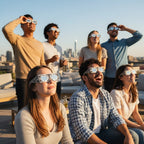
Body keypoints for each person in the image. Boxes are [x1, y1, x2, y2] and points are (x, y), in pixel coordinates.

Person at [68, 58, 138, 144]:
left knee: (134, 135)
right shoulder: (78, 97)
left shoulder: (105, 95)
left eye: (100, 69)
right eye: (93, 70)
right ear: (85, 77)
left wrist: (128, 135)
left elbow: (116, 117)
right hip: (82, 140)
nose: (99, 73)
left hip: (101, 134)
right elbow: (82, 130)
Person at [14, 65, 73, 144]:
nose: (51, 81)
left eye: (53, 77)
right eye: (44, 78)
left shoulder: (60, 108)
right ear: (33, 87)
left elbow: (67, 141)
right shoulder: (24, 117)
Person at [2, 14, 46, 110]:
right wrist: (19, 20)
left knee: (38, 107)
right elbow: (6, 29)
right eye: (28, 22)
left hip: (37, 79)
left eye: (33, 22)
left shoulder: (40, 44)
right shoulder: (17, 40)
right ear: (22, 25)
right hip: (23, 80)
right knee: (23, 109)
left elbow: (42, 64)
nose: (31, 24)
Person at [101, 22, 143, 92]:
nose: (114, 30)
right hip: (109, 78)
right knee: (110, 99)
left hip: (124, 77)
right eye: (111, 28)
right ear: (108, 32)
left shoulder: (124, 42)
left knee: (125, 98)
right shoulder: (103, 46)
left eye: (116, 28)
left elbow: (139, 36)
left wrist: (126, 29)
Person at [111, 64, 144, 144]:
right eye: (128, 72)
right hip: (115, 125)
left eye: (133, 71)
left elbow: (135, 113)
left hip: (126, 122)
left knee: (142, 132)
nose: (132, 74)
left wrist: (142, 125)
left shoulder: (134, 91)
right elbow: (120, 117)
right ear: (121, 77)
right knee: (138, 134)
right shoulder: (115, 93)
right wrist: (139, 127)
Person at [43, 23, 67, 99]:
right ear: (47, 32)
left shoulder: (59, 47)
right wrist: (50, 60)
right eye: (53, 30)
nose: (56, 32)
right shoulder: (42, 45)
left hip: (57, 79)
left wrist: (62, 64)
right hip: (46, 79)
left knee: (57, 101)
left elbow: (59, 65)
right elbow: (38, 63)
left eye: (57, 30)